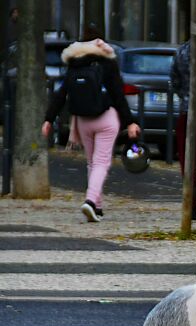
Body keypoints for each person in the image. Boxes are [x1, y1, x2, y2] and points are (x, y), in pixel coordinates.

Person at [42, 36, 140, 222]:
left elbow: (61, 94)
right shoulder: (107, 63)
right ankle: (91, 201)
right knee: (102, 163)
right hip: (106, 118)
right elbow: (117, 94)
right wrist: (130, 122)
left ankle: (98, 207)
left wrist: (48, 119)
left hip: (83, 120)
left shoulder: (74, 64)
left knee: (91, 163)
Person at [170, 9, 196, 220]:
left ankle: (191, 202)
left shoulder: (182, 52)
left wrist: (185, 95)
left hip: (187, 110)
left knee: (188, 160)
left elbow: (173, 79)